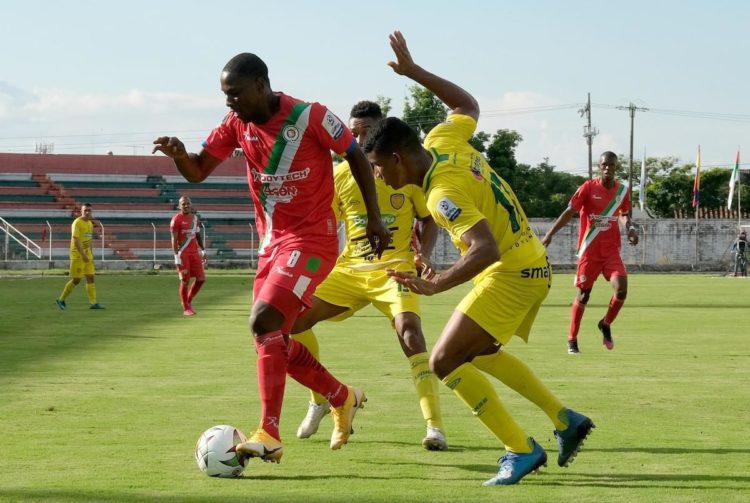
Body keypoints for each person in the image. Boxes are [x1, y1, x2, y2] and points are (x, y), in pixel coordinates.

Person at [363, 31, 593, 486]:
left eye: (379, 167)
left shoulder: (443, 191)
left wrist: (435, 284)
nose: (378, 176)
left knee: (443, 361)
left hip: (510, 270)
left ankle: (520, 448)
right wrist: (415, 73)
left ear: (397, 158)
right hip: (525, 265)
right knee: (480, 352)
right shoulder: (441, 138)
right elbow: (467, 105)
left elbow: (482, 248)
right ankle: (564, 419)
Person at [153, 52, 389, 464]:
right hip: (272, 243)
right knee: (274, 337)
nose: (229, 103)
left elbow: (354, 153)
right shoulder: (235, 125)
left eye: (235, 94)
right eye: (225, 95)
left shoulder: (310, 116)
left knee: (263, 321)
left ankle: (269, 432)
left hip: (313, 240)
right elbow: (197, 172)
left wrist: (373, 218)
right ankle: (342, 396)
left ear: (261, 85)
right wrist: (178, 154)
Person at [290, 101, 447, 451]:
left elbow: (428, 219)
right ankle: (323, 398)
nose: (360, 140)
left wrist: (424, 254)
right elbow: (325, 225)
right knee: (290, 322)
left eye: (367, 133)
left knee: (411, 333)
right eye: (354, 133)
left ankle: (434, 427)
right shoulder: (338, 175)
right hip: (349, 270)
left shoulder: (402, 170)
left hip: (395, 267)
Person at [542, 152, 639, 354]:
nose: (607, 168)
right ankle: (572, 338)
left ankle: (605, 324)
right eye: (604, 164)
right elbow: (569, 211)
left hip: (611, 251)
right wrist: (550, 234)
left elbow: (623, 214)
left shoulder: (622, 191)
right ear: (599, 166)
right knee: (584, 294)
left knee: (621, 289)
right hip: (589, 251)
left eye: (611, 165)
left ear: (615, 167)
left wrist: (630, 228)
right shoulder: (587, 188)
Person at [55, 203, 104, 310]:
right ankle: (61, 299)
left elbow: (89, 240)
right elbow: (75, 240)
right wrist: (83, 255)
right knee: (76, 280)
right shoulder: (77, 223)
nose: (87, 212)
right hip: (78, 256)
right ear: (81, 211)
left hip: (88, 256)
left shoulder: (90, 224)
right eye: (85, 210)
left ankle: (93, 303)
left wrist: (91, 254)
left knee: (91, 277)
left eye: (89, 210)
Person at [171, 196, 207, 316]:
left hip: (194, 253)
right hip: (183, 253)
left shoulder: (195, 218)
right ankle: (186, 308)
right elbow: (173, 239)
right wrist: (176, 256)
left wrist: (203, 250)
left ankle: (188, 300)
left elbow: (197, 235)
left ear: (191, 204)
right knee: (185, 280)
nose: (186, 206)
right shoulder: (176, 220)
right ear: (179, 205)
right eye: (183, 204)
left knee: (201, 279)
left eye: (187, 203)